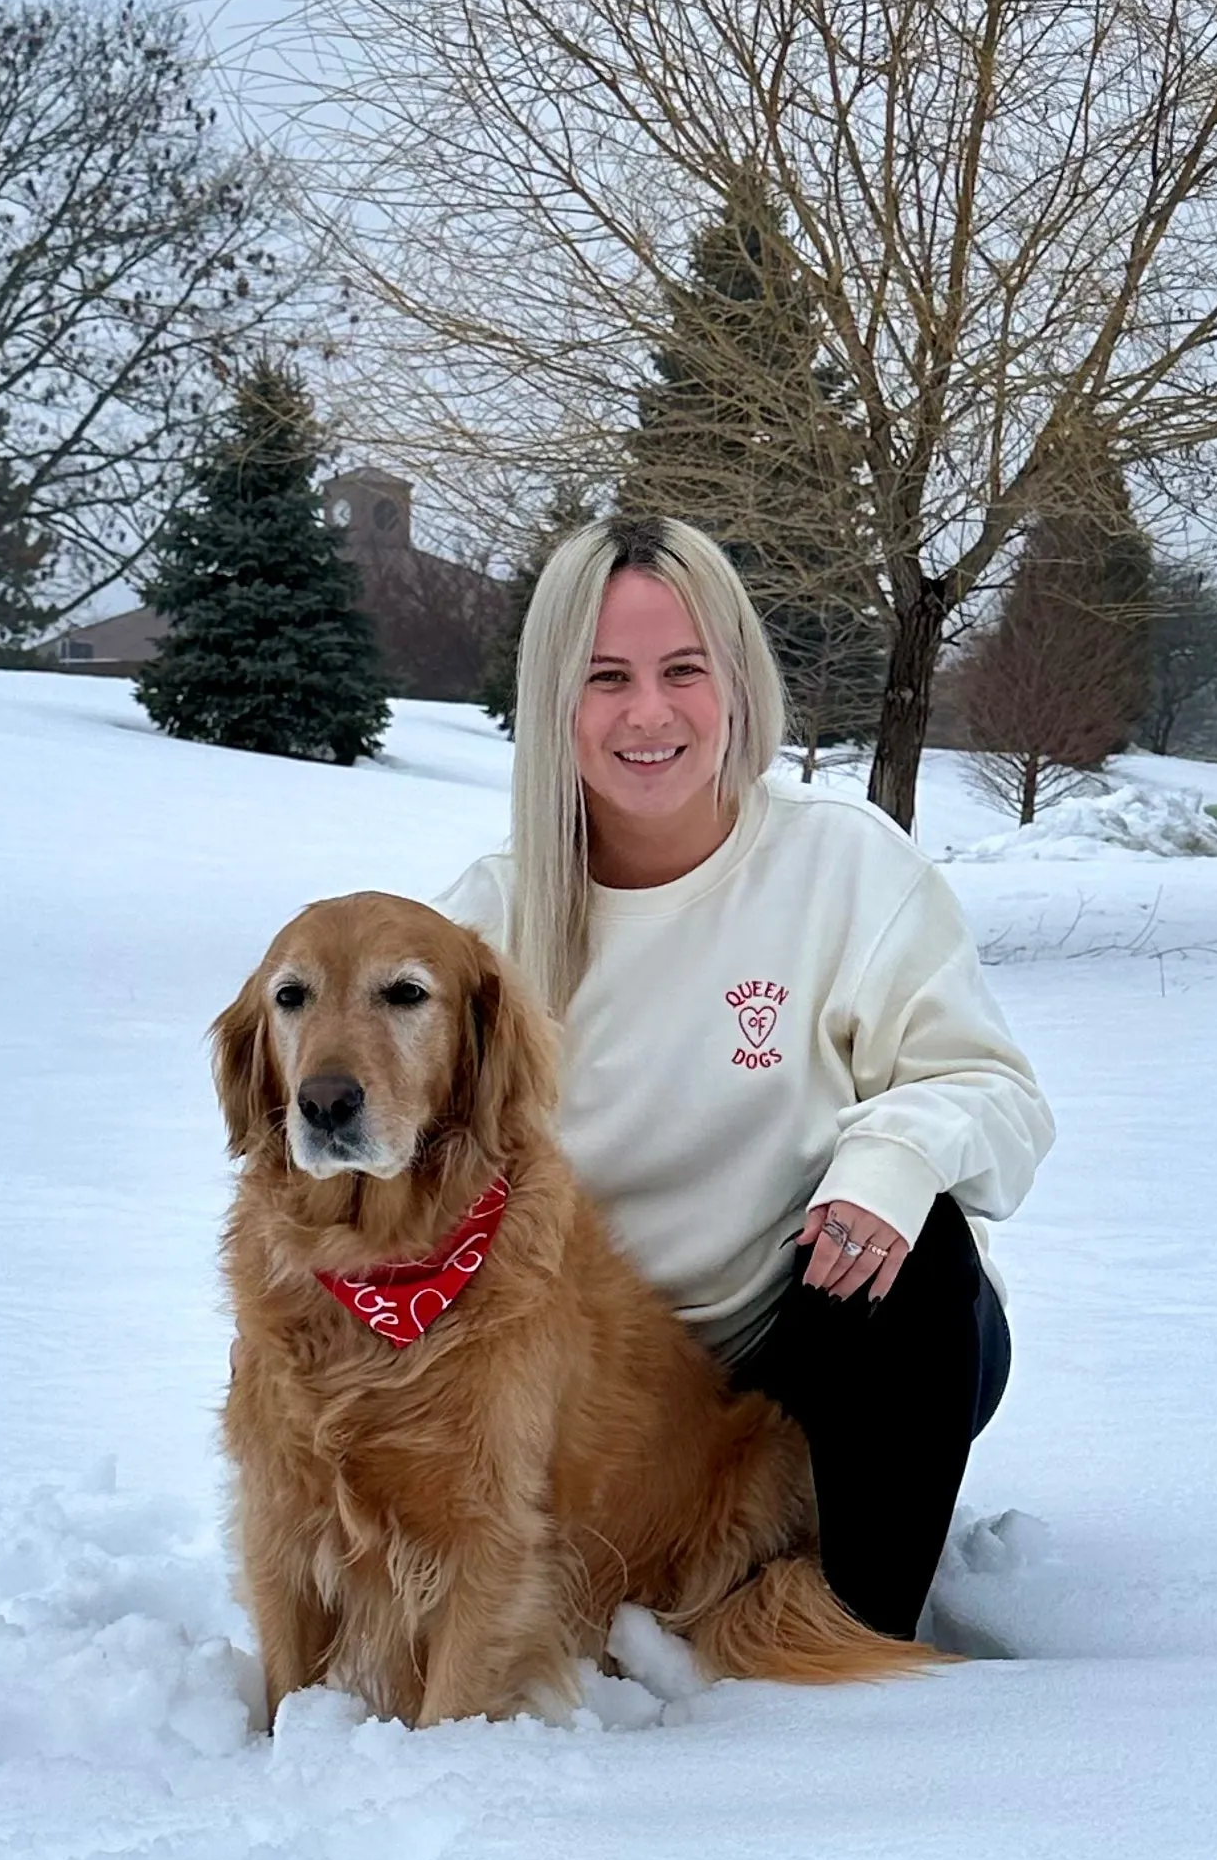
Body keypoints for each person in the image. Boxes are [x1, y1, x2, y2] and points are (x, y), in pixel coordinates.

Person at [442, 514, 1053, 1641]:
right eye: (605, 677)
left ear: (736, 678)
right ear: (553, 702)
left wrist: (894, 1155)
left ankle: (859, 1640)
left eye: (685, 669)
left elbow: (995, 1091)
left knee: (909, 1253)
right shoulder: (489, 924)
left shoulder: (842, 863)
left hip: (823, 1352)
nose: (649, 712)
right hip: (604, 1390)